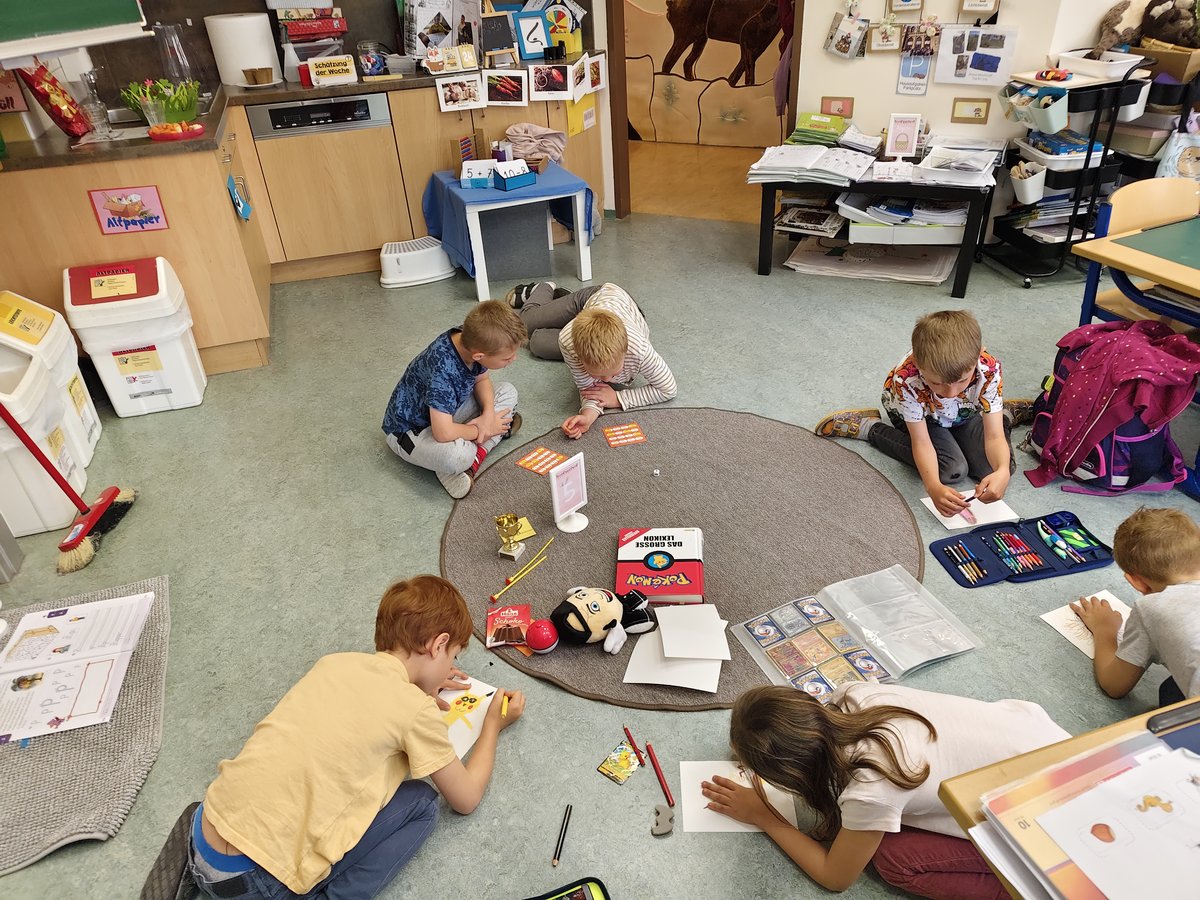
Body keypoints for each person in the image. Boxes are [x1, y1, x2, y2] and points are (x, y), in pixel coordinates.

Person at [188, 575, 526, 899]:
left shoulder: (333, 663)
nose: (451, 664)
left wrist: (424, 685)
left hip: (203, 829)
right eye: (452, 655)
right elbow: (466, 799)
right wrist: (492, 725)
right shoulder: (415, 710)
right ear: (438, 645)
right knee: (423, 803)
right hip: (254, 883)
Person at [703, 683, 1068, 899]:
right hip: (1057, 747)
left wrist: (765, 817)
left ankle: (1031, 888)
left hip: (1049, 819)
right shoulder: (855, 694)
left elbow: (835, 877)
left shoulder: (872, 788)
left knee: (895, 858)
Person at [814, 310, 1032, 517]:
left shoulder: (989, 369)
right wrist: (933, 486)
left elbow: (994, 436)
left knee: (998, 468)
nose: (951, 393)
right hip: (924, 419)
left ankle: (1003, 415)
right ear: (918, 364)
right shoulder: (906, 379)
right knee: (950, 469)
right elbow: (921, 442)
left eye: (962, 381)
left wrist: (1002, 471)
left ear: (978, 355)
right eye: (937, 383)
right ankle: (870, 427)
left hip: (964, 414)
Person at [383, 301, 526, 498]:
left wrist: (487, 415)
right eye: (507, 358)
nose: (513, 359)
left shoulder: (470, 337)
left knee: (508, 391)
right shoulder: (443, 371)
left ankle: (473, 457)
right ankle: (470, 457)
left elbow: (482, 379)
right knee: (459, 456)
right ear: (479, 356)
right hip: (411, 432)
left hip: (445, 413)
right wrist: (483, 430)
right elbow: (442, 433)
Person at [505, 281, 677, 439]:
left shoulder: (639, 348)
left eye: (614, 373)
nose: (607, 380)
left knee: (536, 343)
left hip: (619, 302)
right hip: (589, 300)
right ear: (579, 356)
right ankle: (544, 288)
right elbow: (589, 389)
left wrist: (616, 399)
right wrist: (589, 411)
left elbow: (668, 389)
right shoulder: (567, 341)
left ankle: (560, 304)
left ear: (625, 352)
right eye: (598, 375)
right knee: (523, 328)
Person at [1072, 506, 1200, 707]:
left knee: (1171, 694)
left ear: (1137, 582)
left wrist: (1104, 630)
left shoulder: (1151, 608)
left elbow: (1114, 685)